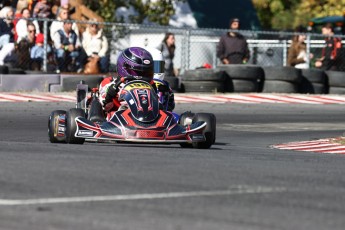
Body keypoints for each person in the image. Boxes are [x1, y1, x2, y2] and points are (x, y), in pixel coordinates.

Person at [99, 47, 158, 119]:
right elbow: (103, 106)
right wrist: (110, 95)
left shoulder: (152, 84)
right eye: (137, 72)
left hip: (147, 117)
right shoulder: (110, 83)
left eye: (146, 72)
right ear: (124, 68)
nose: (141, 76)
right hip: (116, 120)